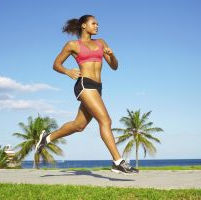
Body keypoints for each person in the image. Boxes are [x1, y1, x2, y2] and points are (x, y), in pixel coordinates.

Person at [35, 14, 139, 174]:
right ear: (84, 25)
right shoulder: (73, 45)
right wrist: (67, 71)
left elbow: (115, 67)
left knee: (79, 126)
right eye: (94, 23)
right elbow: (56, 64)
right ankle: (118, 161)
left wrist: (111, 55)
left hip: (97, 87)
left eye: (97, 24)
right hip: (84, 85)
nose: (97, 26)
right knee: (105, 120)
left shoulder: (101, 42)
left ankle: (47, 138)